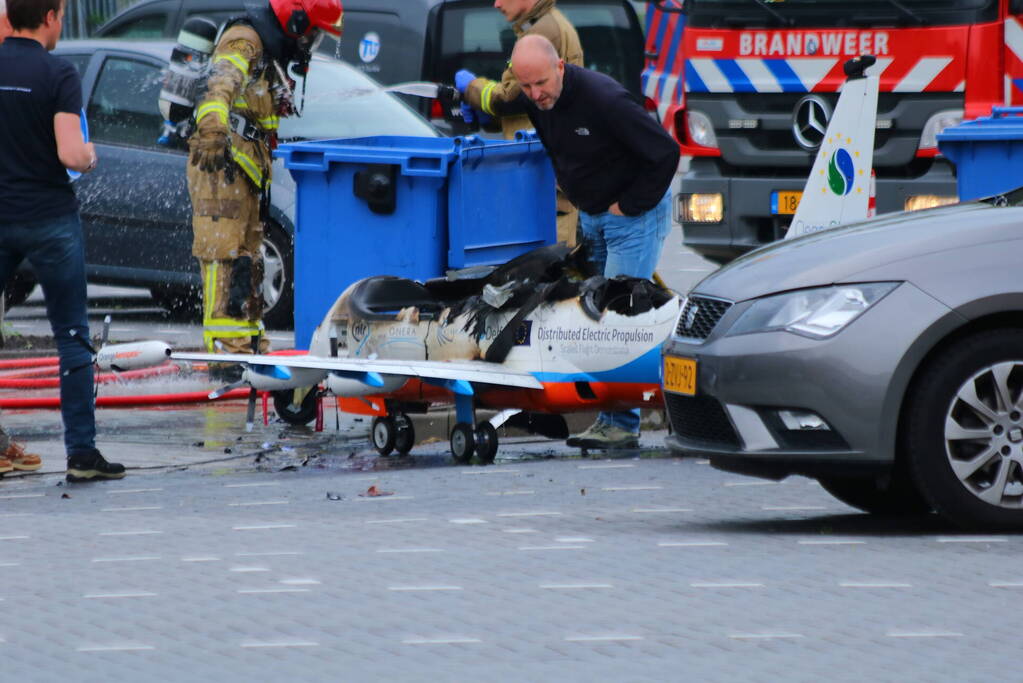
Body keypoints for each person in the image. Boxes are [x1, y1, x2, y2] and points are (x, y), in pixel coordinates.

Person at [511, 34, 679, 450]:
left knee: (620, 318)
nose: (536, 95)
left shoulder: (605, 99)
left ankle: (622, 422)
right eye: (527, 87)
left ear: (561, 68)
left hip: (632, 215)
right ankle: (642, 409)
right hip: (593, 215)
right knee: (593, 314)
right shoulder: (536, 99)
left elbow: (666, 153)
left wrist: (630, 205)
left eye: (542, 84)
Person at [0, 0, 124, 481]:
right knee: (72, 336)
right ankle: (81, 456)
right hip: (49, 218)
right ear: (50, 17)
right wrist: (90, 156)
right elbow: (71, 152)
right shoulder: (58, 73)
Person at [187, 0, 343, 372]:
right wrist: (211, 130)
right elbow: (220, 84)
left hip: (246, 166)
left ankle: (250, 342)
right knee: (224, 253)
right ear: (296, 20)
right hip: (221, 163)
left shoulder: (268, 49)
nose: (312, 42)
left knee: (250, 257)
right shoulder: (245, 39)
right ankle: (225, 351)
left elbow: (252, 100)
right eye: (313, 33)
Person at [454, 0, 583, 246]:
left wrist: (472, 88)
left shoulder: (544, 31)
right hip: (542, 176)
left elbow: (511, 97)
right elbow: (529, 106)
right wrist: (490, 118)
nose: (497, 4)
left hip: (546, 183)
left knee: (548, 270)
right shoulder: (543, 26)